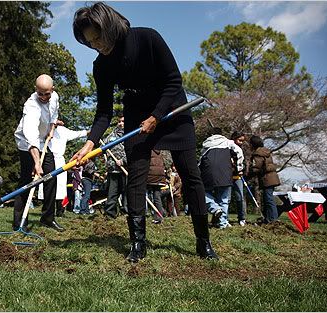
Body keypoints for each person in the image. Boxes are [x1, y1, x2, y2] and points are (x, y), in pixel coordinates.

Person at [71, 2, 218, 262]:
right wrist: (89, 143)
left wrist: (157, 116)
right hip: (138, 115)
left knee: (191, 175)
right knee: (136, 178)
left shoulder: (148, 38)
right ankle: (137, 243)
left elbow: (174, 80)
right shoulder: (101, 66)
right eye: (90, 42)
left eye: (98, 37)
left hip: (172, 108)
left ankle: (203, 242)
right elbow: (104, 112)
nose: (97, 45)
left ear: (109, 25)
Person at [13, 74, 64, 232]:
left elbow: (53, 115)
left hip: (44, 141)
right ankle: (19, 223)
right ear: (36, 90)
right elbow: (31, 137)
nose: (43, 97)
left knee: (51, 176)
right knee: (27, 181)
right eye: (40, 93)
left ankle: (48, 218)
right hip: (26, 144)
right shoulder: (31, 106)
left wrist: (52, 127)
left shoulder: (54, 97)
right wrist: (36, 162)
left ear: (52, 90)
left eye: (46, 93)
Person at [38, 125, 88, 217]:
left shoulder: (63, 130)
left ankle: (60, 210)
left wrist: (88, 132)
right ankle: (47, 210)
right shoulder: (45, 127)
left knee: (61, 187)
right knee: (48, 185)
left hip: (59, 161)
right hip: (47, 159)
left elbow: (76, 134)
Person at [199, 128, 244, 229]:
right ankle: (222, 224)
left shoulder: (205, 146)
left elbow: (200, 161)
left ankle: (214, 208)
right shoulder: (228, 142)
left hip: (207, 174)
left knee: (203, 193)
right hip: (225, 173)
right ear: (221, 134)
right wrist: (238, 168)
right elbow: (239, 152)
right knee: (223, 199)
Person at [248, 135, 281, 224]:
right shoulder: (266, 151)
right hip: (273, 178)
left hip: (267, 179)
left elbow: (256, 168)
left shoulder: (257, 153)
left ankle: (272, 219)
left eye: (250, 144)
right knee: (268, 199)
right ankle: (268, 218)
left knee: (268, 199)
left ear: (253, 144)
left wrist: (247, 176)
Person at [102, 114, 128, 219]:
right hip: (113, 169)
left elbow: (132, 151)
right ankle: (110, 213)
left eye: (123, 121)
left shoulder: (130, 134)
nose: (121, 124)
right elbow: (104, 146)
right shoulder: (112, 135)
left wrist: (123, 161)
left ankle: (126, 211)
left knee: (126, 192)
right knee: (112, 192)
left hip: (125, 169)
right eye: (119, 121)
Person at [230, 131, 248, 226]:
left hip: (238, 177)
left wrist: (242, 169)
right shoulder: (227, 148)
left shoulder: (241, 150)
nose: (241, 142)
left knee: (240, 197)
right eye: (239, 140)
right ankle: (221, 218)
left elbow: (243, 163)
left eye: (242, 141)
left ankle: (242, 218)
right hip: (228, 176)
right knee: (226, 199)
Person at [147, 150, 166, 224]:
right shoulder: (161, 151)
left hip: (151, 175)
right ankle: (159, 215)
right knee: (157, 197)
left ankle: (144, 213)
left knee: (144, 194)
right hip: (160, 176)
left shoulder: (149, 150)